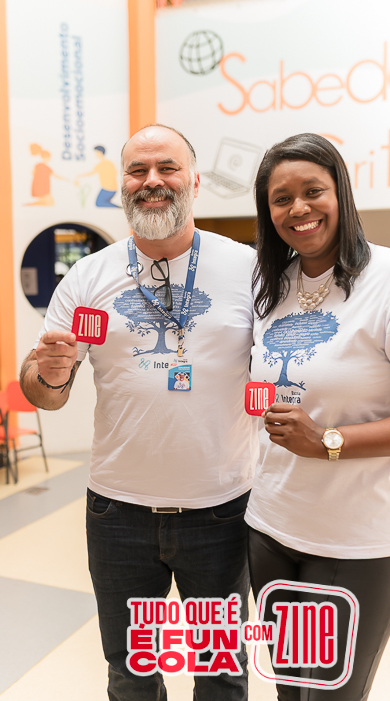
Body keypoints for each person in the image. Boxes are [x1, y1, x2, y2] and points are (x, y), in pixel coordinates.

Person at [20, 124, 258, 701]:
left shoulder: (248, 269)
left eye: (167, 168)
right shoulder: (88, 276)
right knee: (129, 672)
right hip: (117, 513)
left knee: (222, 673)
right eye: (137, 170)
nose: (152, 181)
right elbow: (44, 392)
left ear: (194, 182)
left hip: (222, 509)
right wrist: (49, 372)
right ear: (121, 185)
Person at [246, 133, 390, 700]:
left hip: (358, 543)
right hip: (272, 531)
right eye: (281, 198)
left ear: (341, 194)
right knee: (290, 691)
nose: (298, 208)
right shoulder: (270, 286)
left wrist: (329, 440)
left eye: (313, 191)